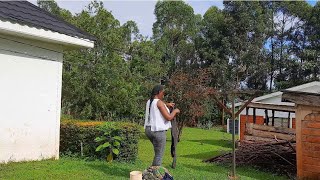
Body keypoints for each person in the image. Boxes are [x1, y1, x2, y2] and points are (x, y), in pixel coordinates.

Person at [144, 85, 180, 167]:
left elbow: (158, 105)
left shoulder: (149, 101)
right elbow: (169, 117)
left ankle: (152, 171)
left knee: (157, 152)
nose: (163, 95)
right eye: (163, 93)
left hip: (148, 130)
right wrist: (175, 111)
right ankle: (154, 174)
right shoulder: (159, 102)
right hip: (157, 132)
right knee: (159, 155)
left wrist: (166, 104)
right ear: (159, 92)